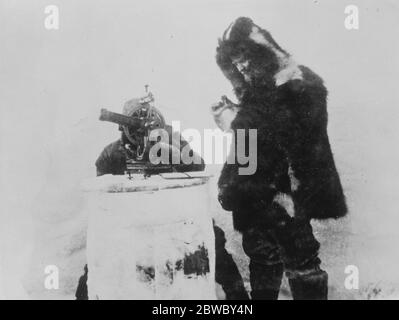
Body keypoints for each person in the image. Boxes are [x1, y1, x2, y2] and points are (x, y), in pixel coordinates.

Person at [213, 17, 347, 300]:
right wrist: (238, 116)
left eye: (245, 57)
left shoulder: (299, 82)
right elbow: (258, 133)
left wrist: (236, 122)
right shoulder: (259, 88)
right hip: (258, 194)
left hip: (286, 194)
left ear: (262, 50)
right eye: (235, 62)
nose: (241, 66)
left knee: (301, 260)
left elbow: (292, 136)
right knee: (262, 255)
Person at [75, 98, 249, 300]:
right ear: (122, 128)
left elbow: (198, 167)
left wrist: (171, 149)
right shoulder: (110, 155)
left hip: (175, 216)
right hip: (133, 222)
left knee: (213, 242)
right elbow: (104, 199)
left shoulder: (171, 140)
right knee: (99, 255)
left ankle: (240, 300)